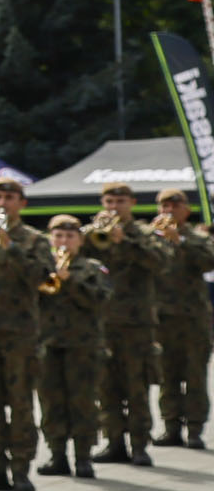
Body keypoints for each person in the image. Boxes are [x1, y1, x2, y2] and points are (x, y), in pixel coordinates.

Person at [0, 177, 55, 491]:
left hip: (20, 332)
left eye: (9, 197)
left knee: (20, 404)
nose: (2, 203)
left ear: (22, 203)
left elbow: (43, 278)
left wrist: (9, 245)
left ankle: (21, 469)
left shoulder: (35, 239)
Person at [82, 181, 169, 466]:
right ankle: (114, 442)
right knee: (106, 387)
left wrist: (124, 241)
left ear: (132, 203)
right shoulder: (92, 233)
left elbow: (160, 262)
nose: (114, 207)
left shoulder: (145, 233)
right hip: (102, 321)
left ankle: (140, 445)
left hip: (136, 323)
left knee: (136, 386)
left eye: (120, 202)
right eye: (109, 202)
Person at [34, 215, 111, 479]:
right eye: (58, 236)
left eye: (69, 236)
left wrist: (70, 281)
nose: (64, 241)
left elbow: (100, 301)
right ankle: (57, 454)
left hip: (83, 345)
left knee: (83, 401)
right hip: (49, 343)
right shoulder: (41, 267)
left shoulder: (93, 267)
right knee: (50, 401)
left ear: (79, 240)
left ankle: (83, 457)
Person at [149, 188, 214, 449]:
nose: (169, 210)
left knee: (195, 375)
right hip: (161, 317)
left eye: (175, 206)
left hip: (192, 319)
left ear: (186, 210)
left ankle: (195, 429)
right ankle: (171, 426)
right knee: (167, 375)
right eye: (164, 206)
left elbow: (209, 261)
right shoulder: (151, 238)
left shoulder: (198, 238)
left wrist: (180, 242)